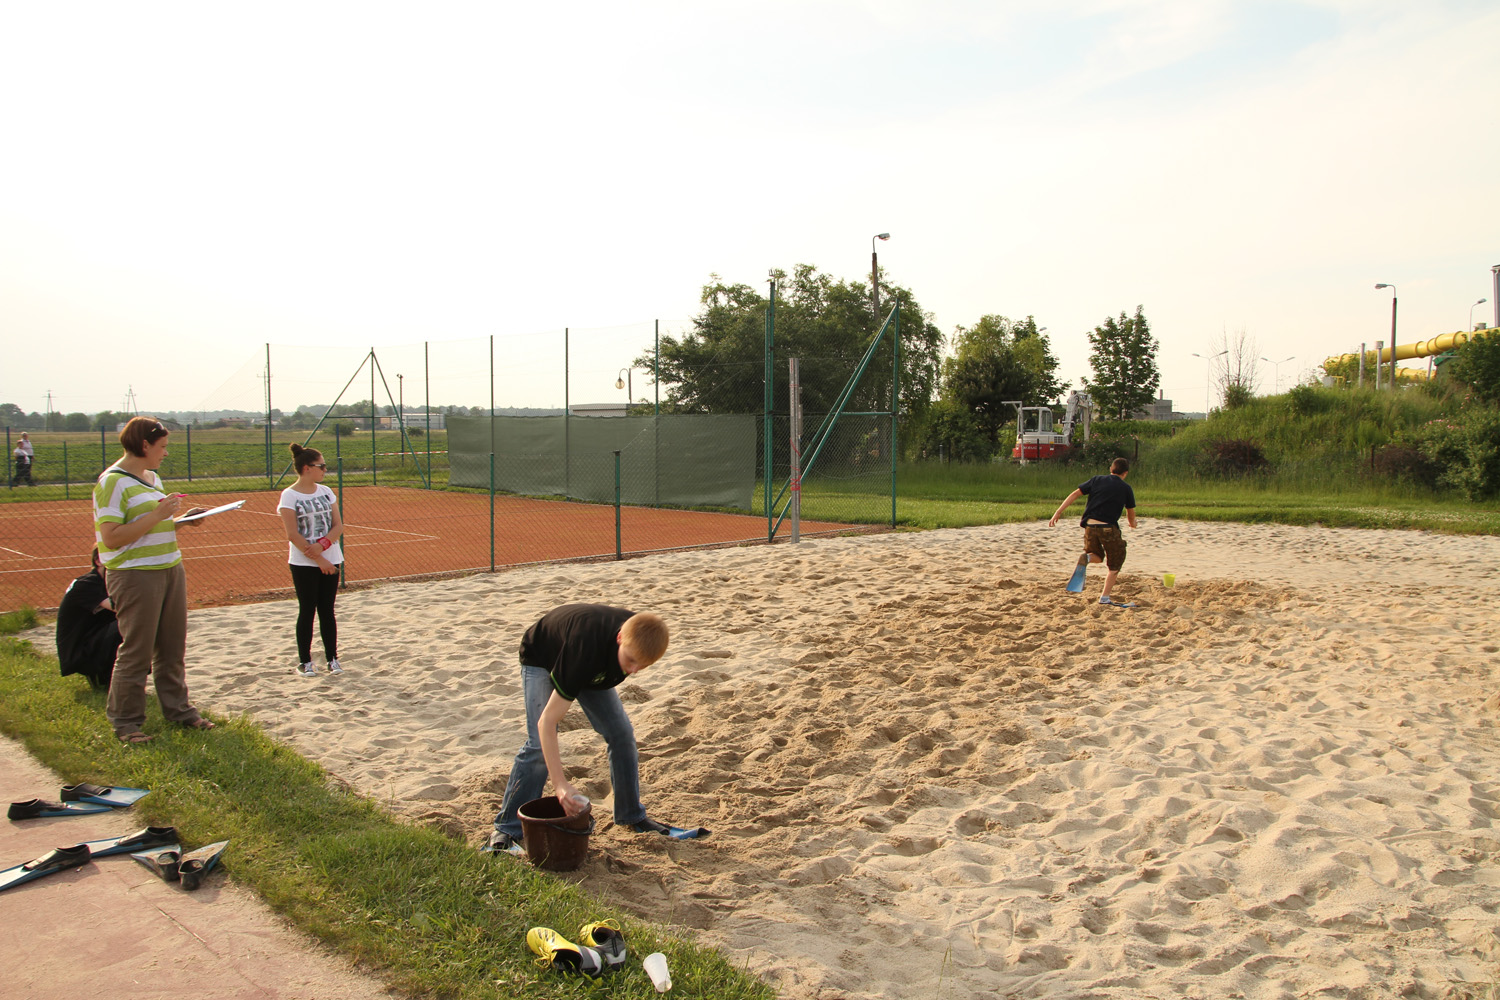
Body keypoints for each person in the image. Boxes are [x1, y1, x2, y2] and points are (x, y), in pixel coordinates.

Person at [488, 603, 707, 855]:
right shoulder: (584, 651)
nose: (633, 670)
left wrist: (629, 661)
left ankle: (632, 816)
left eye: (642, 666)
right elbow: (546, 722)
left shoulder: (640, 637)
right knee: (538, 745)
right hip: (543, 654)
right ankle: (506, 830)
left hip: (590, 663)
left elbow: (619, 664)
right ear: (619, 638)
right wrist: (560, 785)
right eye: (631, 661)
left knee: (621, 734)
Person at [93, 416, 214, 744]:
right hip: (135, 575)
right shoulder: (112, 483)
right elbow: (111, 538)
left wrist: (182, 521)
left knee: (172, 646)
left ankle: (180, 711)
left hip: (169, 567)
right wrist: (157, 515)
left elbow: (154, 527)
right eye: (162, 447)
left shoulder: (152, 478)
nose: (166, 453)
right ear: (144, 445)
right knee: (137, 649)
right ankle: (126, 722)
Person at [277, 443, 345, 676]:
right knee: (307, 610)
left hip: (331, 556)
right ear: (307, 468)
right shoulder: (289, 495)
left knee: (327, 610)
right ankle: (305, 662)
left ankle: (332, 659)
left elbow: (338, 526)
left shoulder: (326, 491)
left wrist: (323, 546)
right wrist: (319, 560)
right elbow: (292, 534)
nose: (325, 470)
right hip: (303, 562)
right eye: (321, 466)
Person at [1049, 456, 1137, 605]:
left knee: (1096, 555)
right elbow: (1130, 513)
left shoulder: (1096, 480)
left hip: (1090, 526)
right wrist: (1132, 523)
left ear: (1111, 469)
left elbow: (1075, 494)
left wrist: (1058, 512)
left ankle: (1087, 558)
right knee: (1116, 562)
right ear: (1125, 473)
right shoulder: (1126, 488)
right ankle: (1105, 597)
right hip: (1108, 528)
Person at [56, 548, 123, 689]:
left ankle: (116, 677)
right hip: (80, 653)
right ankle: (102, 676)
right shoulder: (88, 583)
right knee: (131, 623)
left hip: (91, 640)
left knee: (135, 623)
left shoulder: (104, 581)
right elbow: (121, 608)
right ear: (98, 561)